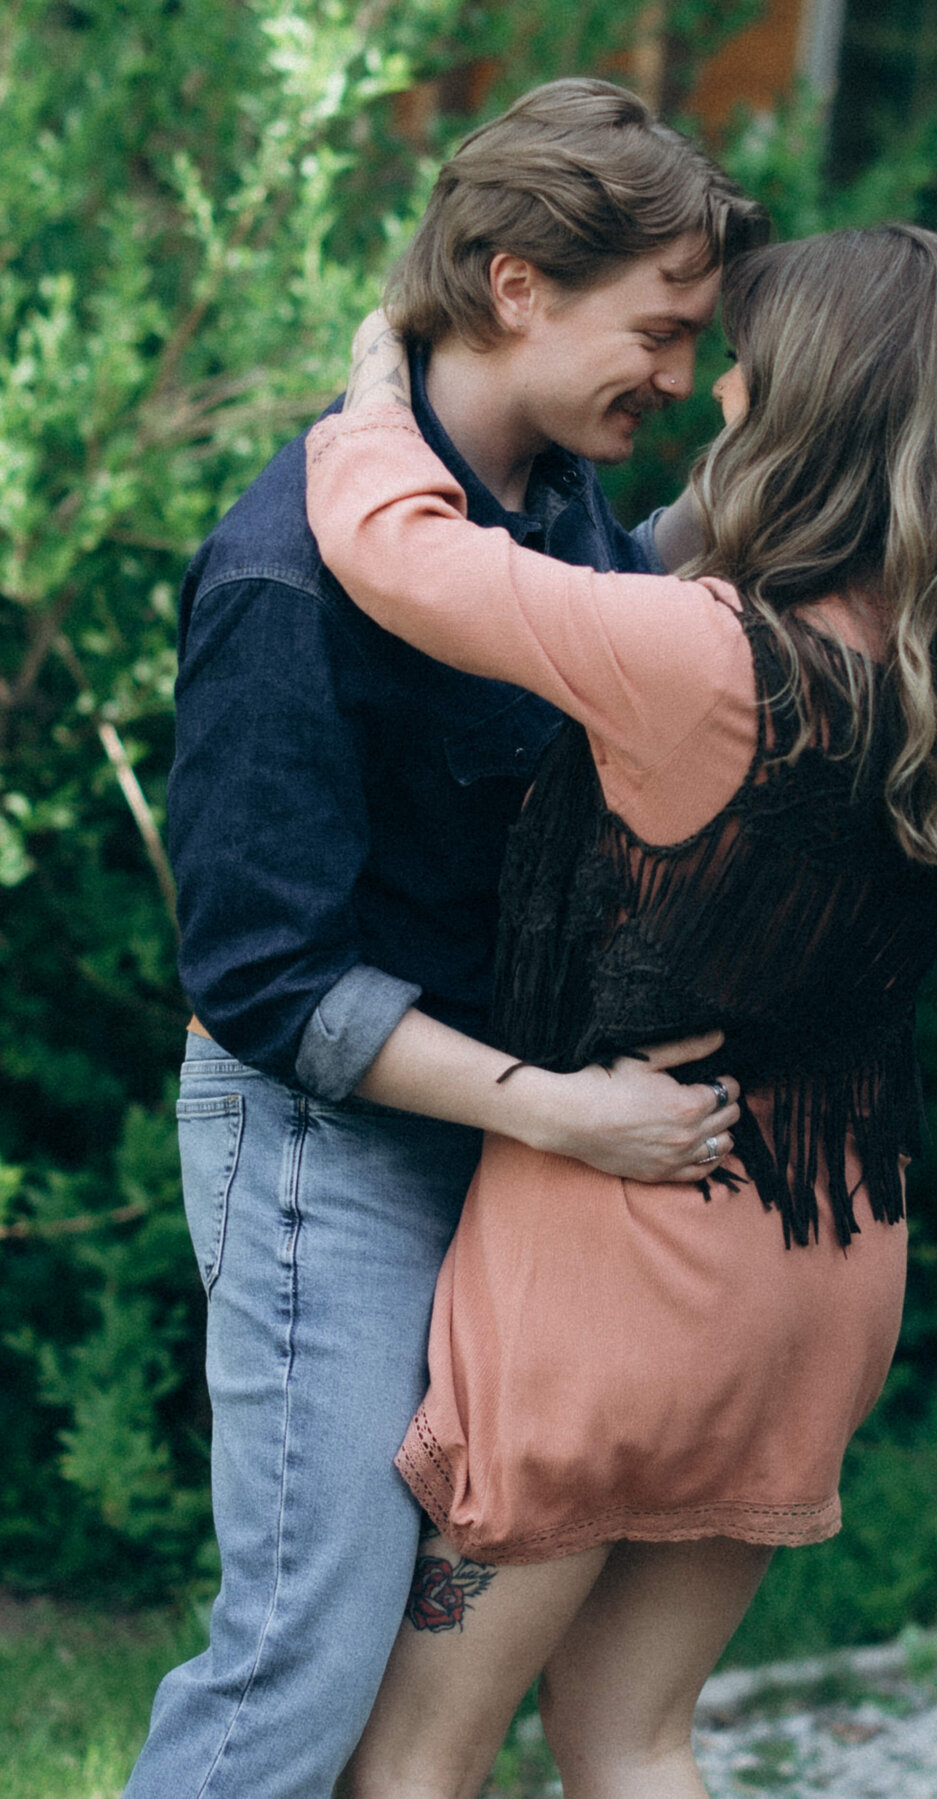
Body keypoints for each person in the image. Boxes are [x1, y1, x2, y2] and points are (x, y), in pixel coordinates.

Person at [305, 222, 937, 1799]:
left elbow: (396, 552)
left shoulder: (705, 664)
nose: (712, 396)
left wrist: (380, 391)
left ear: (803, 409)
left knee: (413, 1760)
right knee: (633, 1739)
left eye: (745, 371)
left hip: (624, 1268)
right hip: (819, 1270)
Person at [124, 80, 765, 1799]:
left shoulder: (554, 510)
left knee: (434, 1642)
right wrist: (561, 1112)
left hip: (492, 1145)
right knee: (306, 1653)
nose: (682, 379)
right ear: (513, 285)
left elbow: (652, 633)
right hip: (327, 1147)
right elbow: (260, 975)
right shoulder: (286, 572)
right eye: (661, 330)